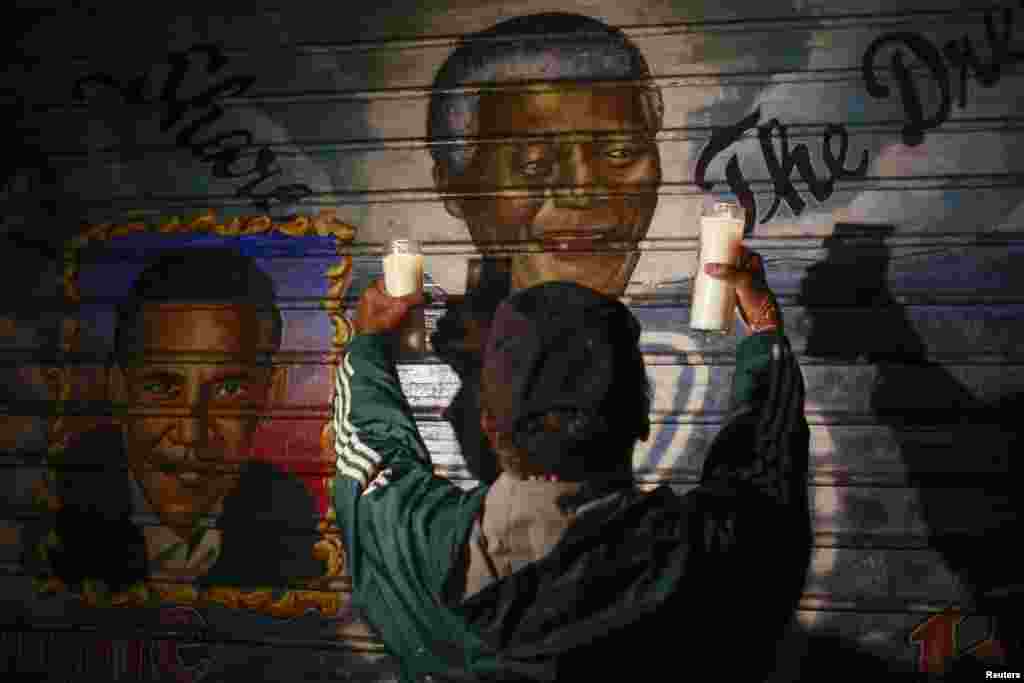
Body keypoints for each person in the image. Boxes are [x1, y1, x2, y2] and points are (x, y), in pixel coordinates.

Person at [332, 247, 810, 682]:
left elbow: (371, 443)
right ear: (642, 418)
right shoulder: (716, 561)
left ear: (488, 423)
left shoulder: (413, 548)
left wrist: (368, 341)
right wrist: (763, 329)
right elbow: (765, 459)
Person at [429, 12, 664, 485]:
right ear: (455, 186)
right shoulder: (431, 372)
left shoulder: (690, 354)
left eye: (619, 154)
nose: (582, 190)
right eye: (534, 164)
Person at [34, 248, 323, 592]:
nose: (191, 432)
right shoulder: (49, 505)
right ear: (119, 388)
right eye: (161, 388)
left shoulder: (292, 515)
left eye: (228, 390)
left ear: (271, 391)